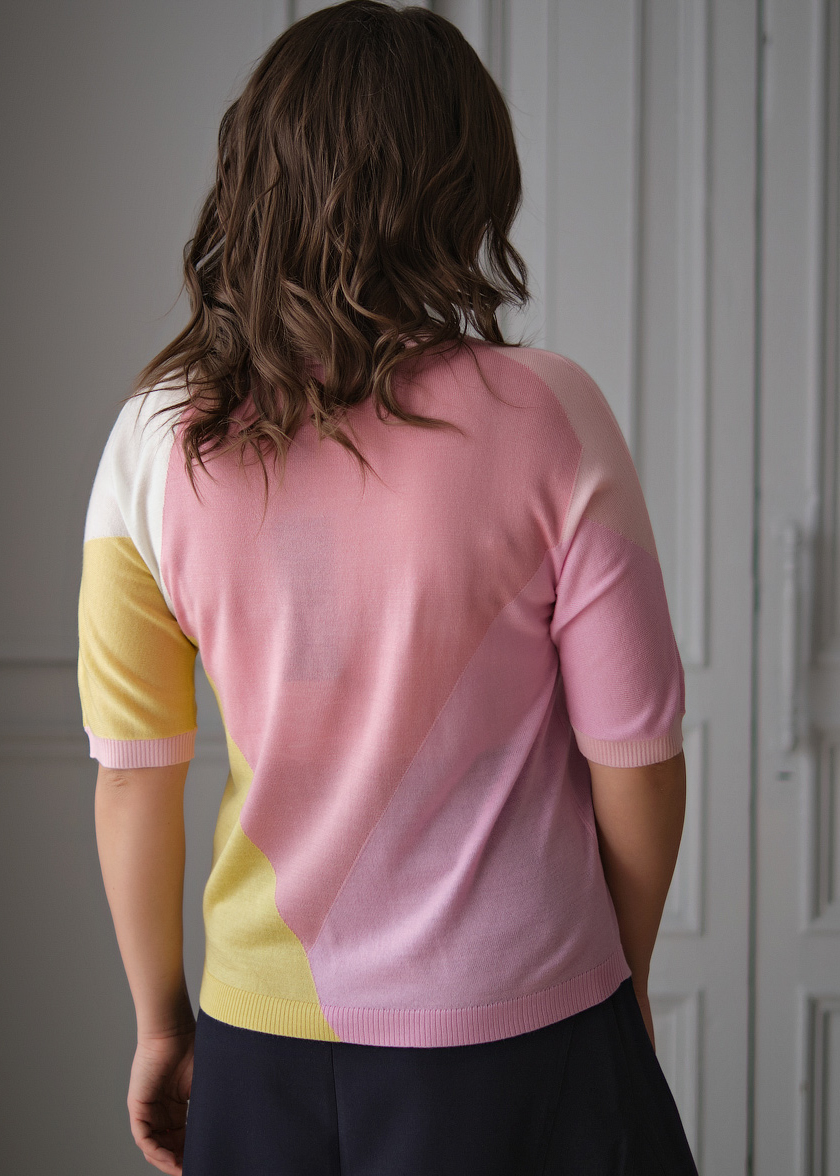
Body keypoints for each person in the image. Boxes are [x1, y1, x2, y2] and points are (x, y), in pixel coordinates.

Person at [77, 2, 700, 1173]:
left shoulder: (153, 443)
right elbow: (639, 757)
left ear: (253, 174)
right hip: (531, 1032)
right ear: (467, 191)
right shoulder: (551, 414)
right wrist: (621, 979)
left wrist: (164, 1024)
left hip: (262, 1041)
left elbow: (132, 779)